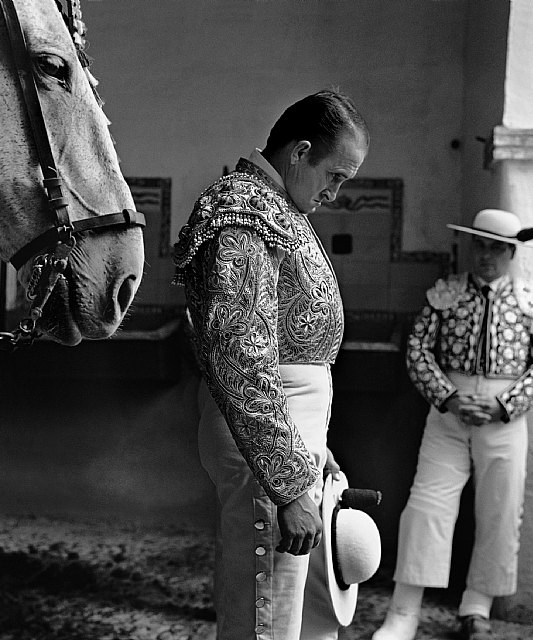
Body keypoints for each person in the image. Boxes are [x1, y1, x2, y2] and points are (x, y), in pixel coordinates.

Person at [173, 89, 369, 640]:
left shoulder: (271, 207)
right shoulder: (244, 209)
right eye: (334, 175)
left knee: (286, 613)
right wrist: (286, 482)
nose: (335, 193)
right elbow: (240, 352)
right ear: (299, 152)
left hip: (280, 440)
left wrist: (311, 447)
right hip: (263, 453)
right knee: (266, 615)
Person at [372, 209, 533, 640]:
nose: (486, 255)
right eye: (480, 245)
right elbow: (417, 349)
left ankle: (477, 607)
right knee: (426, 507)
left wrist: (505, 405)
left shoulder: (532, 302)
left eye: (496, 247)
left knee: (500, 510)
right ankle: (403, 613)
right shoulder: (446, 294)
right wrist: (451, 398)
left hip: (504, 420)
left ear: (512, 252)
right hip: (448, 416)